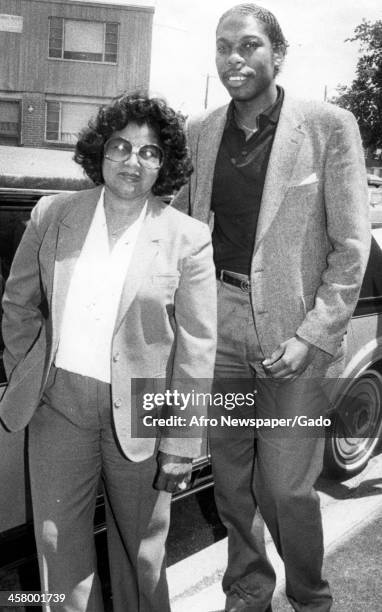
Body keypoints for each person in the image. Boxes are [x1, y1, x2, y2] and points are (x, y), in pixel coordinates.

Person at [172, 4, 370, 612]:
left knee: (285, 486)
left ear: (277, 54)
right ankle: (248, 589)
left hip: (294, 333)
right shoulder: (200, 130)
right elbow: (180, 224)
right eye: (224, 45)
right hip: (220, 326)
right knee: (231, 482)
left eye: (250, 45)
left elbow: (350, 247)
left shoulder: (328, 126)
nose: (235, 58)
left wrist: (314, 336)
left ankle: (311, 597)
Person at [0, 93, 217, 612]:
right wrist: (29, 372)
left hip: (143, 408)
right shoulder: (53, 214)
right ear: (101, 150)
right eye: (121, 146)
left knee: (142, 556)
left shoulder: (188, 238)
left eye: (149, 152)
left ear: (164, 165)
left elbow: (196, 349)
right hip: (60, 408)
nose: (131, 161)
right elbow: (18, 302)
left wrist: (181, 441)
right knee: (57, 551)